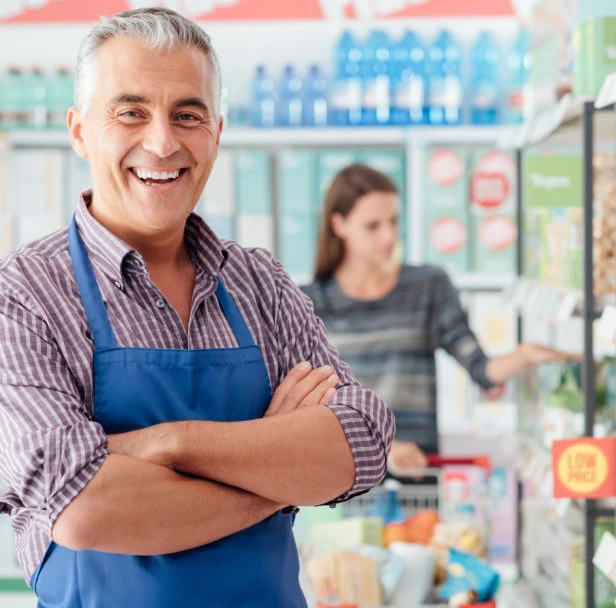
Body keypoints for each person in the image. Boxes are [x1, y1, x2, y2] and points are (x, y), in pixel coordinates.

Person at [0, 10, 395, 608]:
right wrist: (277, 474)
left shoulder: (259, 281)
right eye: (130, 112)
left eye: (188, 114)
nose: (162, 142)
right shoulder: (24, 295)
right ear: (79, 131)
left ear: (216, 132)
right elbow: (83, 506)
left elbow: (362, 444)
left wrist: (167, 445)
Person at [301, 163, 574, 471]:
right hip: (342, 473)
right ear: (339, 225)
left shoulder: (428, 286)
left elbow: (481, 368)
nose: (388, 235)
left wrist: (527, 355)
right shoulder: (309, 302)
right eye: (373, 226)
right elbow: (309, 406)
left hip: (418, 472)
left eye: (394, 221)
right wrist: (384, 448)